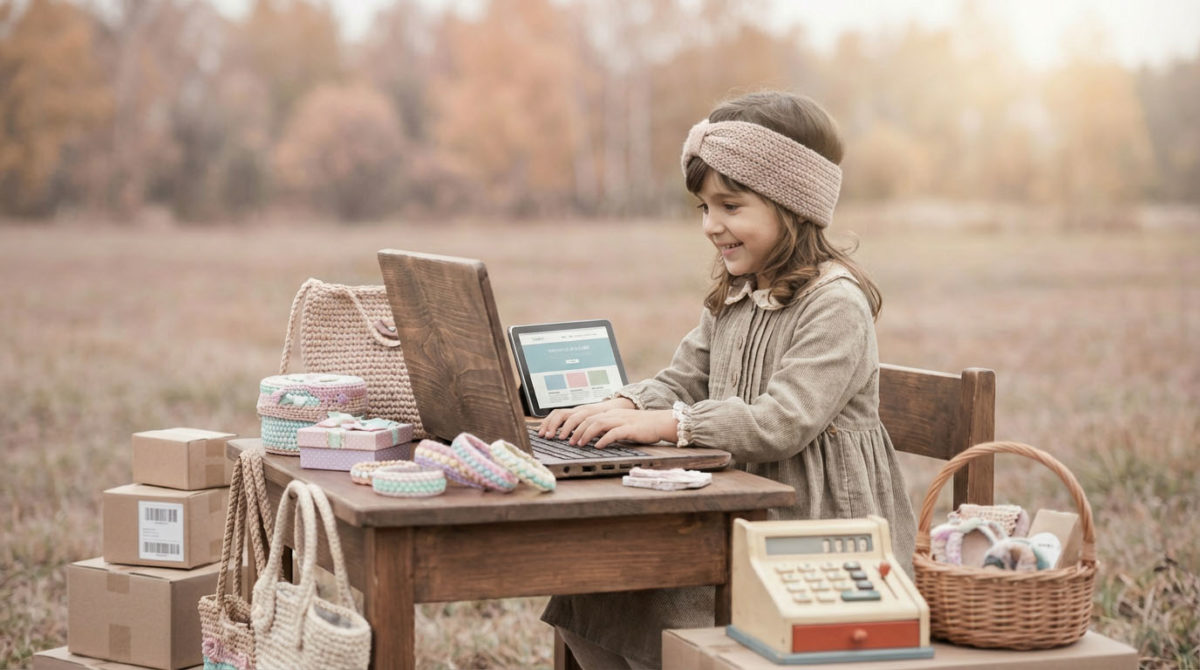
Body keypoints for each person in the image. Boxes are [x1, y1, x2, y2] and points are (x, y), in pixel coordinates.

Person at [537, 90, 918, 670]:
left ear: (794, 205)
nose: (712, 226)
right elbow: (684, 377)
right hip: (731, 507)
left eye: (730, 206)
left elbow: (782, 422)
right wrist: (617, 403)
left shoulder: (835, 303)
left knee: (662, 605)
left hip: (811, 525)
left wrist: (666, 425)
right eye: (703, 209)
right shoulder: (736, 293)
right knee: (600, 588)